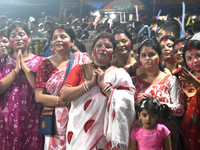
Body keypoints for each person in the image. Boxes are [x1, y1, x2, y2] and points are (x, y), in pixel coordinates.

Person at [59, 32, 135, 150]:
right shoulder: (80, 69)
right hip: (79, 131)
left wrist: (104, 86)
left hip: (104, 135)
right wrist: (89, 84)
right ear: (92, 48)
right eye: (99, 45)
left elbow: (127, 103)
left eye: (108, 46)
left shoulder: (119, 74)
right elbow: (64, 95)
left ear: (114, 52)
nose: (103, 49)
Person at [34, 24, 91, 150]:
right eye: (54, 38)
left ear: (72, 42)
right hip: (56, 121)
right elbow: (38, 97)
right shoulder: (45, 64)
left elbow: (91, 85)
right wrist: (63, 100)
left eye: (63, 36)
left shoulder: (82, 59)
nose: (58, 40)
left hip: (80, 115)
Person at [132, 38, 185, 150]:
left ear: (160, 58)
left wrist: (156, 104)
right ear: (139, 59)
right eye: (143, 55)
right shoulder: (133, 82)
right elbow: (126, 111)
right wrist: (135, 103)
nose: (147, 58)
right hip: (143, 140)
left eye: (151, 54)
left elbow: (180, 109)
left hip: (166, 138)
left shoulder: (171, 80)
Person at [0, 21, 45, 149]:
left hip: (34, 119)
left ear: (29, 38)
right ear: (9, 40)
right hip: (6, 119)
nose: (18, 38)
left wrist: (25, 69)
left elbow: (43, 90)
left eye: (21, 34)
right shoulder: (2, 61)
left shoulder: (41, 62)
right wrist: (15, 71)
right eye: (13, 35)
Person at [178, 40, 200, 150]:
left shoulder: (191, 81)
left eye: (198, 55)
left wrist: (196, 84)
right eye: (189, 58)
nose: (195, 61)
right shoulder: (182, 80)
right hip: (188, 132)